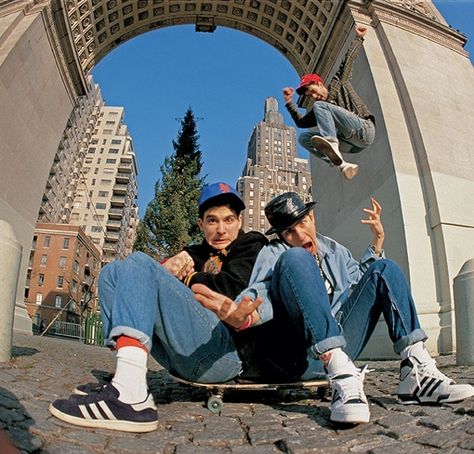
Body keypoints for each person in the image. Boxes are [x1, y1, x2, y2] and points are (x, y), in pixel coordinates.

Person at [194, 192, 474, 424]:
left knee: (384, 268)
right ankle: (341, 375)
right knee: (296, 259)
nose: (299, 234)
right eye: (289, 231)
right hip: (299, 355)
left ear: (312, 217)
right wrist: (248, 315)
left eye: (303, 223)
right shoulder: (276, 253)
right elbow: (262, 291)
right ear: (280, 235)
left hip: (343, 345)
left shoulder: (335, 250)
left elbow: (362, 283)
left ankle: (416, 372)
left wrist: (377, 243)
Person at [49, 182, 268, 432]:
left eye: (228, 220)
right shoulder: (195, 251)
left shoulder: (251, 245)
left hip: (225, 356)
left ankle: (131, 399)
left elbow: (232, 289)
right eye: (212, 221)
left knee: (140, 262)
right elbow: (154, 278)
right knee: (113, 272)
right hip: (185, 351)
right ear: (201, 224)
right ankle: (126, 375)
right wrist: (174, 264)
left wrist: (189, 278)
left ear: (239, 221)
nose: (221, 230)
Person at [283, 25, 375, 180]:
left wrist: (358, 38)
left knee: (321, 106)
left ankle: (332, 142)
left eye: (312, 91)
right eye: (309, 95)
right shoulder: (321, 110)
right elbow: (301, 123)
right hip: (352, 146)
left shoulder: (338, 83)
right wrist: (289, 102)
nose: (312, 96)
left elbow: (347, 62)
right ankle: (343, 165)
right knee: (304, 138)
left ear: (319, 84)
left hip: (363, 129)